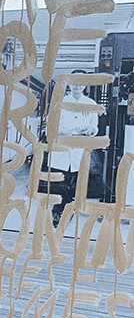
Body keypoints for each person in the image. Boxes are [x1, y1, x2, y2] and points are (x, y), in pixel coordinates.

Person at [48, 71, 99, 227]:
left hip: (79, 151)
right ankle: (59, 211)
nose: (77, 86)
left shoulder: (91, 104)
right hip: (61, 149)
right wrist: (64, 131)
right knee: (59, 183)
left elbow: (94, 127)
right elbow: (50, 125)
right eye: (74, 82)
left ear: (85, 85)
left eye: (80, 82)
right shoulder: (59, 103)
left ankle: (64, 211)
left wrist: (91, 131)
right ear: (69, 84)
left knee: (75, 183)